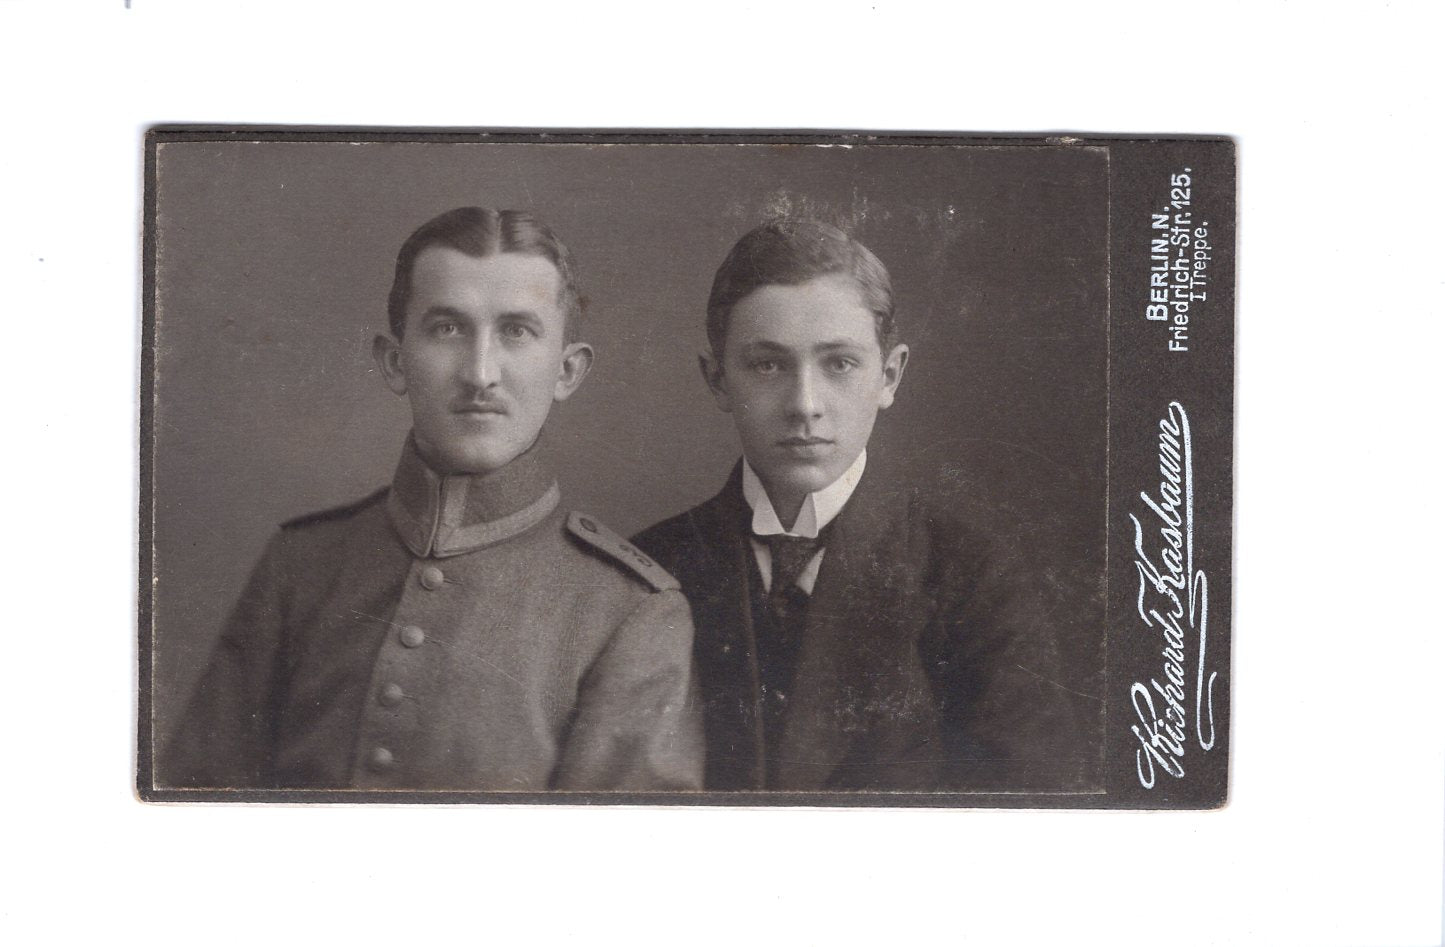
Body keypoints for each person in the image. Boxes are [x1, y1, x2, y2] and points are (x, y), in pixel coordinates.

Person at [164, 207, 702, 792]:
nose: (479, 373)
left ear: (567, 371)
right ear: (395, 361)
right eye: (448, 328)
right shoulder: (302, 566)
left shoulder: (628, 609)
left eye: (516, 332)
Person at [632, 218, 1082, 792]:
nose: (805, 404)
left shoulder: (970, 575)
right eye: (767, 365)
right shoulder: (649, 570)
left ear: (888, 376)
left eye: (839, 364)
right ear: (717, 379)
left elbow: (1033, 805)